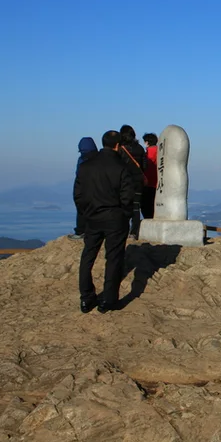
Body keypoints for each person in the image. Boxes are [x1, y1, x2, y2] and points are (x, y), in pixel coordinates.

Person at [73, 130, 139, 314]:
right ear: (118, 146)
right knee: (114, 259)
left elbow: (78, 195)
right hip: (115, 219)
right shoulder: (121, 167)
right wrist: (123, 215)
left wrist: (86, 213)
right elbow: (128, 197)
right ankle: (108, 301)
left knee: (88, 256)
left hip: (92, 218)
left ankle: (86, 299)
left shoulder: (86, 166)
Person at [117, 125, 146, 238]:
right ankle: (134, 232)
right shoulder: (140, 148)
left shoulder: (121, 149)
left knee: (123, 206)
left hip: (125, 182)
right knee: (136, 207)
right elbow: (145, 165)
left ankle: (123, 230)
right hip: (138, 181)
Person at [71, 137, 98, 239]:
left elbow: (78, 175)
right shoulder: (100, 158)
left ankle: (81, 231)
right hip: (98, 189)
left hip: (84, 189)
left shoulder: (81, 160)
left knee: (81, 210)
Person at [141, 132, 159, 220]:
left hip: (148, 183)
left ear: (147, 142)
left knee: (146, 207)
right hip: (158, 184)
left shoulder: (148, 153)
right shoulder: (160, 152)